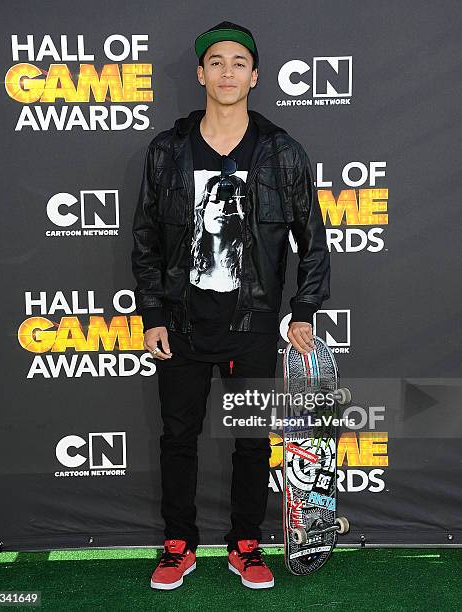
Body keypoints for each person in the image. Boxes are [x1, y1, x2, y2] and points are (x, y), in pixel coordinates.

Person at [131, 20, 330, 590]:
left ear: (255, 76)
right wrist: (153, 315)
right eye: (215, 62)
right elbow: (145, 239)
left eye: (238, 63)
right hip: (183, 324)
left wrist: (306, 310)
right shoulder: (167, 151)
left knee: (251, 440)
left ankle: (246, 542)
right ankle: (178, 544)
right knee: (177, 437)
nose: (226, 72)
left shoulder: (282, 153)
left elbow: (313, 238)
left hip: (253, 322)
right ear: (200, 73)